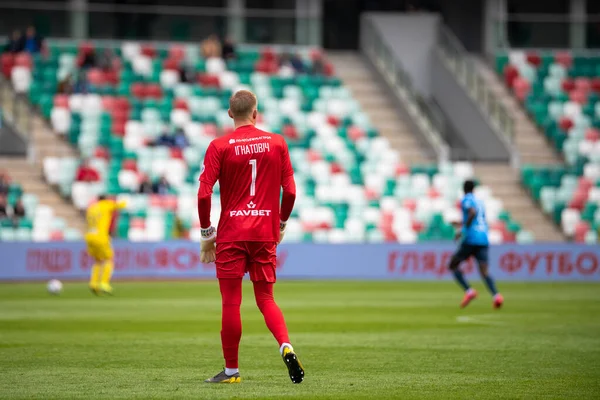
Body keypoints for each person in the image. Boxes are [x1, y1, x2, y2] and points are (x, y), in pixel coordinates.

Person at [199, 90, 303, 384]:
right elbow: (291, 191)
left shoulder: (219, 146)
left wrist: (208, 232)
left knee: (231, 303)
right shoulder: (278, 143)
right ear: (255, 113)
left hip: (232, 233)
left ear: (230, 114)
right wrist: (280, 223)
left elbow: (204, 193)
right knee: (266, 299)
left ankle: (231, 371)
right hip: (264, 232)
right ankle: (286, 346)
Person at [448, 180, 503, 309]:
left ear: (464, 189)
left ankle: (469, 291)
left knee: (453, 265)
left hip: (471, 239)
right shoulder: (480, 202)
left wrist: (462, 230)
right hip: (483, 238)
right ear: (474, 189)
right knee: (484, 271)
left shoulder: (466, 199)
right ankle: (496, 295)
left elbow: (472, 213)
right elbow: (477, 218)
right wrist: (461, 223)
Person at [85, 195, 126, 294]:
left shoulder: (91, 208)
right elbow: (121, 205)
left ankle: (93, 283)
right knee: (109, 259)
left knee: (98, 260)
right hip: (101, 237)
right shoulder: (106, 204)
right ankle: (104, 283)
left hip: (89, 236)